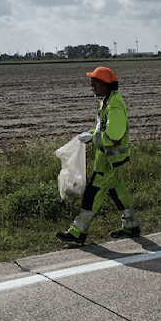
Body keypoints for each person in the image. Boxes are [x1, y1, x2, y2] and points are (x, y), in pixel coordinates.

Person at [57, 66, 140, 244]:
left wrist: (93, 138)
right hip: (111, 161)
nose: (91, 87)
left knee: (92, 195)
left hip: (108, 163)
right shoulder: (108, 101)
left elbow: (114, 134)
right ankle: (131, 226)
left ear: (104, 85)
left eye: (94, 83)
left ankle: (78, 232)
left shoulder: (114, 104)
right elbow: (105, 129)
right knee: (119, 192)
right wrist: (91, 133)